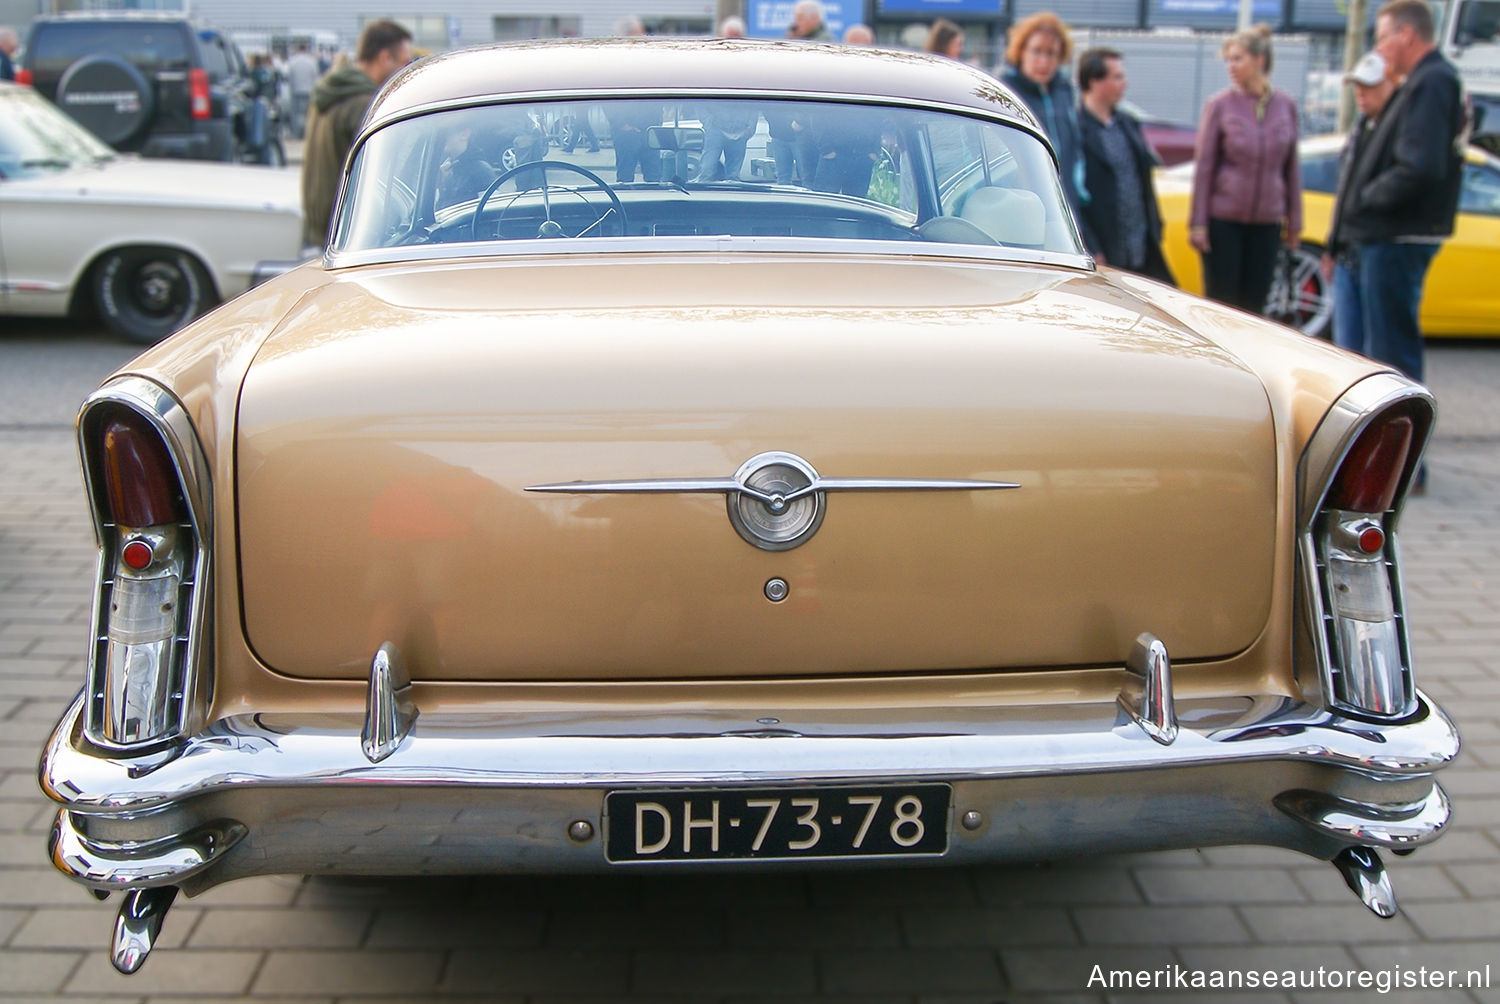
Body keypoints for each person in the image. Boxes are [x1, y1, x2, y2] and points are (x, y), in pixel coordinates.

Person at [1335, 0, 1466, 386]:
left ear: (1406, 35)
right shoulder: (1424, 80)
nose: (1378, 50)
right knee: (1382, 346)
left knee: (1391, 352)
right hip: (1391, 230)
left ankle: (1404, 442)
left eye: (1382, 38)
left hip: (1398, 231)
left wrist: (1367, 197)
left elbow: (1420, 165)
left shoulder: (1433, 80)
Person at [1188, 24, 1301, 314]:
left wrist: (1295, 221)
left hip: (1267, 222)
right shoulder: (1220, 106)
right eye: (1228, 60)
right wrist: (1198, 223)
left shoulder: (1286, 105)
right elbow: (1204, 168)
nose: (1231, 66)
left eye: (1237, 59)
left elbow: (1291, 167)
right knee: (1223, 304)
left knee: (1256, 305)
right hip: (1224, 221)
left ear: (1259, 60)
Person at [300, 21, 412, 250]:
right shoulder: (364, 105)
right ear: (384, 58)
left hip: (319, 220)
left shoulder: (331, 91)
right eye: (403, 62)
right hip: (345, 229)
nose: (404, 70)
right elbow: (386, 174)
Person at [1076, 47, 1175, 283]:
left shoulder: (1127, 124)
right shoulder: (1077, 129)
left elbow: (1144, 179)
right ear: (1094, 81)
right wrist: (1090, 244)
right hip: (1105, 248)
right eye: (1117, 77)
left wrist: (1156, 226)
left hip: (1141, 244)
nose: (1125, 84)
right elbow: (1074, 194)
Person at [999, 13, 1095, 254]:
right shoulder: (1006, 91)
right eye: (1036, 51)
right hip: (1022, 207)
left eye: (1051, 53)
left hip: (1064, 205)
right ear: (1021, 52)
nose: (1043, 60)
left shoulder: (1063, 92)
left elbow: (1075, 149)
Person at [1323, 52, 1398, 351]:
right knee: (1347, 347)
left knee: (1381, 348)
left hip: (1376, 247)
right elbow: (1345, 191)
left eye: (1369, 86)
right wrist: (1332, 245)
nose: (1361, 94)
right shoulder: (1360, 129)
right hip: (1347, 251)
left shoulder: (1396, 129)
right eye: (1357, 87)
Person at [285, 44, 320, 138]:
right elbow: (315, 77)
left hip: (296, 90)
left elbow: (290, 77)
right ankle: (307, 134)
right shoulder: (311, 61)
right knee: (308, 114)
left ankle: (296, 134)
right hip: (309, 90)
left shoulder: (293, 61)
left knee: (295, 114)